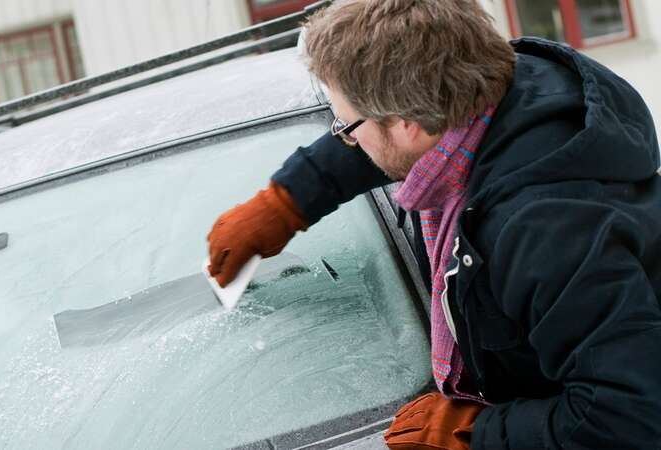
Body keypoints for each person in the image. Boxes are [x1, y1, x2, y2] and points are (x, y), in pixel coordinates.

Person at [206, 0, 661, 449]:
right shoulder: (493, 89)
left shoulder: (546, 233)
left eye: (346, 127)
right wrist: (287, 201)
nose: (348, 140)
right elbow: (383, 136)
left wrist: (473, 434)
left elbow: (632, 416)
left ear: (408, 122)